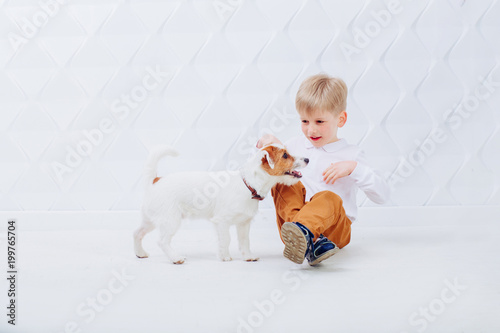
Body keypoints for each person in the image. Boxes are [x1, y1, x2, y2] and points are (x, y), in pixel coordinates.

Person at [257, 73, 390, 266]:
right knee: (283, 182)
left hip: (334, 231)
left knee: (328, 197)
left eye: (319, 122)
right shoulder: (293, 146)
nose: (311, 130)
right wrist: (273, 148)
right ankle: (307, 239)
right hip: (293, 225)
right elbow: (266, 174)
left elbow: (383, 195)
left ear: (341, 119)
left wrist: (354, 169)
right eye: (305, 121)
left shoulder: (351, 154)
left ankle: (307, 234)